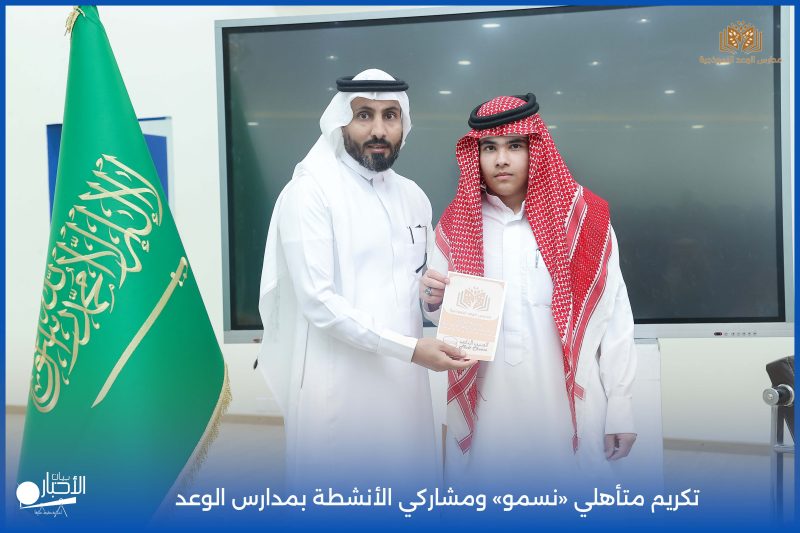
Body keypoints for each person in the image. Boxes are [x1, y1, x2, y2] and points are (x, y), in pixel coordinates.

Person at [256, 69, 475, 490]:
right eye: (364, 115)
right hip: (339, 389)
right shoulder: (310, 192)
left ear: (403, 123)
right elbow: (318, 302)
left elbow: (418, 289)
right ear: (341, 121)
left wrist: (433, 301)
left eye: (390, 115)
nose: (378, 130)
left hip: (407, 388)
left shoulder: (413, 196)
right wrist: (411, 350)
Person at [421, 94, 637, 490]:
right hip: (489, 414)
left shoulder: (583, 220)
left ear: (536, 149)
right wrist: (432, 302)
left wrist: (621, 405)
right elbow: (443, 317)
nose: (501, 160)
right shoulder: (456, 225)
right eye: (489, 148)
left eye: (514, 146)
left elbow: (614, 318)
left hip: (569, 410)